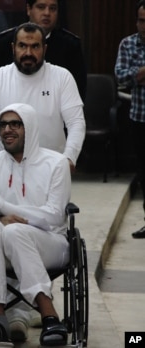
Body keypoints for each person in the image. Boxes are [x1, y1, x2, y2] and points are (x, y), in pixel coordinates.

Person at [0, 102, 71, 347]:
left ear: (30, 127)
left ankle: (49, 315)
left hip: (51, 243)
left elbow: (52, 218)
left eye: (15, 124)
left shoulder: (56, 164)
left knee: (16, 231)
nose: (7, 129)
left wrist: (4, 206)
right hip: (4, 245)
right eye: (2, 124)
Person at [0, 22, 85, 176]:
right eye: (22, 46)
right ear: (13, 48)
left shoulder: (62, 77)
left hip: (51, 171)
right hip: (3, 171)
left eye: (35, 46)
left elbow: (76, 122)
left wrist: (70, 157)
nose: (28, 52)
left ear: (45, 49)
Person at [0, 0, 87, 101]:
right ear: (29, 9)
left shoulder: (70, 44)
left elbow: (78, 92)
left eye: (52, 8)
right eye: (41, 7)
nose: (47, 13)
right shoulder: (6, 41)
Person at [115, 0, 145, 239]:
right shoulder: (128, 44)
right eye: (141, 20)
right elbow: (121, 76)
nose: (144, 25)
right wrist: (140, 74)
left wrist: (136, 75)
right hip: (140, 118)